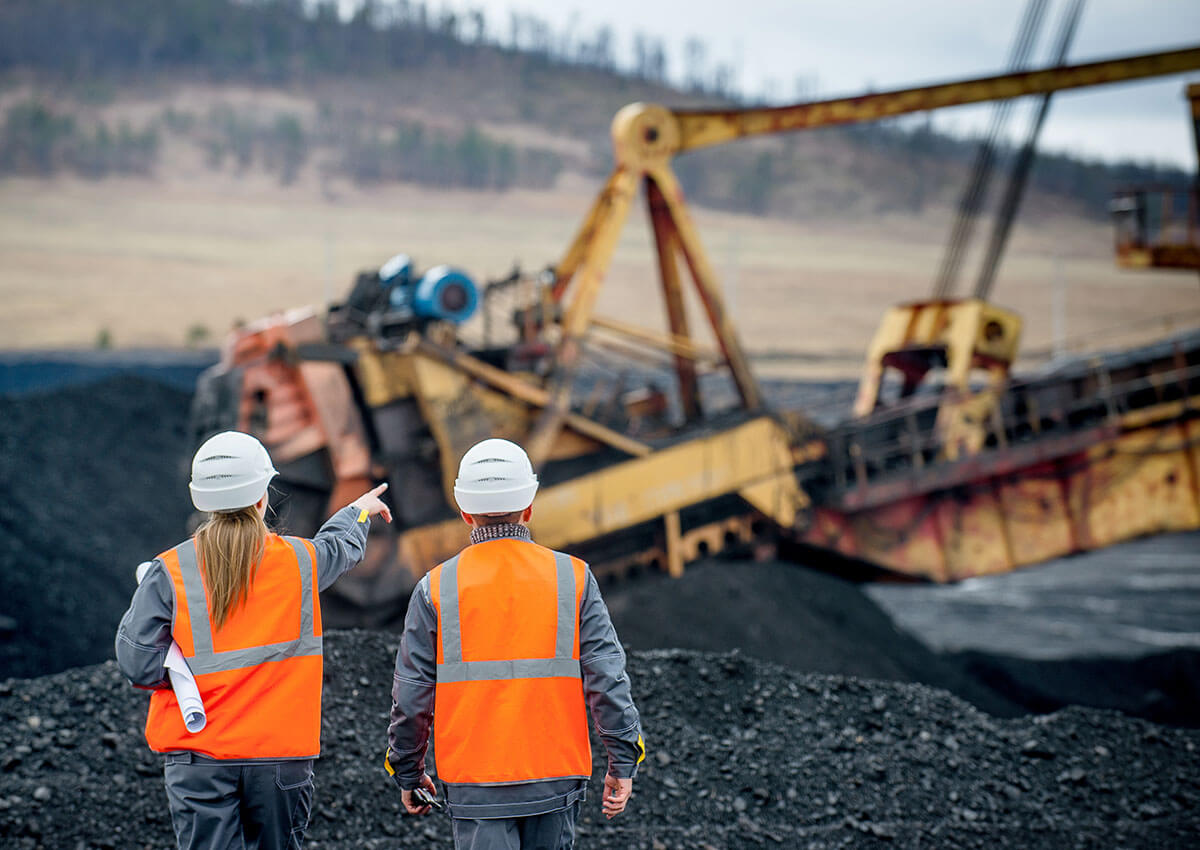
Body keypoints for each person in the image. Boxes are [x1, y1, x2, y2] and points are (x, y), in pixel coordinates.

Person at [115, 430, 392, 850]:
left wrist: (180, 675)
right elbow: (340, 547)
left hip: (198, 758)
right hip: (279, 758)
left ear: (201, 500)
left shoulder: (168, 571)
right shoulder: (300, 562)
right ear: (263, 498)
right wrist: (359, 510)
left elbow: (138, 663)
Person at [385, 438, 645, 850]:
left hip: (476, 785)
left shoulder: (436, 587)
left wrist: (409, 773)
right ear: (529, 507)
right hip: (554, 779)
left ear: (464, 511)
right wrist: (623, 759)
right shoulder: (572, 578)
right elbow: (607, 678)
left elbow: (412, 696)